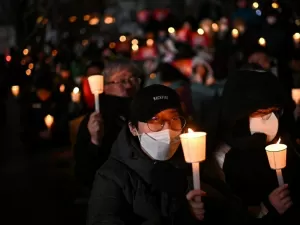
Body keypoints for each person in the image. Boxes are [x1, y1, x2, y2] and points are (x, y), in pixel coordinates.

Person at [87, 85, 205, 225]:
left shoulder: (192, 166)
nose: (167, 128)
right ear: (133, 128)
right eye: (155, 119)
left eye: (174, 118)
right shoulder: (112, 177)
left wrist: (195, 213)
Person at [203, 67, 299, 221]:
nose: (270, 119)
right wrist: (266, 209)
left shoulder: (286, 141)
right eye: (261, 113)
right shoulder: (219, 158)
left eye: (274, 111)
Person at [74, 59, 142, 189]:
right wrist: (95, 141)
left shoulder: (144, 110)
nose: (128, 86)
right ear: (105, 87)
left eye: (133, 79)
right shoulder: (96, 118)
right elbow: (84, 171)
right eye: (121, 81)